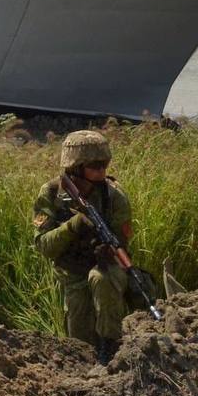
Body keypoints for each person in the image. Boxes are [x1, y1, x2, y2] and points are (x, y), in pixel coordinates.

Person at [32, 130, 132, 363]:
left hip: (104, 266)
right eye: (94, 166)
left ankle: (109, 345)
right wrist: (73, 225)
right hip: (71, 271)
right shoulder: (52, 193)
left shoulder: (113, 196)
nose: (101, 171)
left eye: (104, 165)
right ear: (75, 167)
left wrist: (107, 251)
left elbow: (122, 243)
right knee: (80, 344)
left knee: (103, 279)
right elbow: (44, 246)